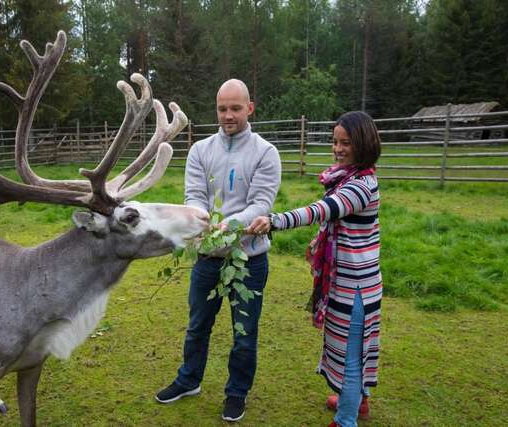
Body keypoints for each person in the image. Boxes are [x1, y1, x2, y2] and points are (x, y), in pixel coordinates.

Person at [155, 79, 281, 422]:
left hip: (249, 261)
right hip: (208, 258)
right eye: (222, 109)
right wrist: (201, 218)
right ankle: (189, 380)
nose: (228, 115)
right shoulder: (200, 150)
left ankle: (236, 392)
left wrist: (227, 225)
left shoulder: (265, 153)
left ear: (250, 108)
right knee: (198, 325)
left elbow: (261, 205)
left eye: (236, 108)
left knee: (244, 333)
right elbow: (193, 194)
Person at [247, 111, 382, 427]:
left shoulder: (361, 185)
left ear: (363, 143)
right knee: (350, 346)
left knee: (350, 353)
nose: (338, 148)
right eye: (335, 141)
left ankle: (346, 419)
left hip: (357, 286)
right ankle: (359, 400)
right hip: (346, 280)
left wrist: (275, 220)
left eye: (346, 143)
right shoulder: (346, 177)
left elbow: (322, 211)